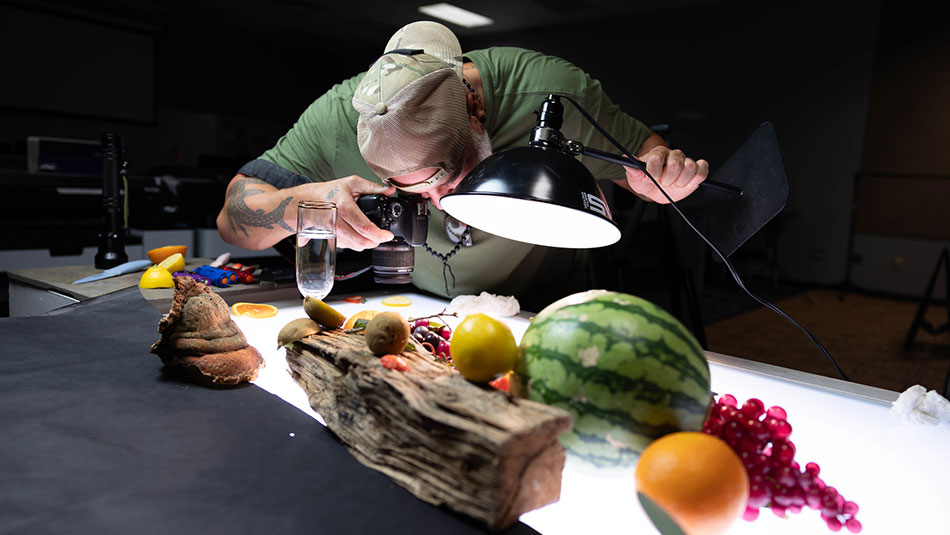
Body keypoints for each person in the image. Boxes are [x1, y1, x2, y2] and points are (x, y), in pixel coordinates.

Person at [216, 21, 709, 310]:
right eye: (411, 190)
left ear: (475, 107)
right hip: (425, 311)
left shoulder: (549, 92)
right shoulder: (334, 117)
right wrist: (301, 206)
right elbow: (231, 222)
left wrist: (658, 178)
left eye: (449, 178)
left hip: (546, 310)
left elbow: (644, 159)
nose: (438, 202)